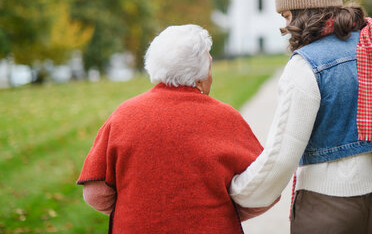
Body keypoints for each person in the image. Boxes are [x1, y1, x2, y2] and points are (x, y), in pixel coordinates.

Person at [229, 0, 372, 234]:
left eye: (286, 15)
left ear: (301, 12)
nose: (285, 24)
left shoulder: (306, 64)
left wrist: (238, 194)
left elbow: (281, 156)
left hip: (329, 206)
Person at [77, 24, 276, 233]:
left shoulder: (123, 116)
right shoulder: (227, 119)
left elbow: (95, 193)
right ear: (200, 75)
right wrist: (221, 211)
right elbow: (264, 188)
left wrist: (145, 211)